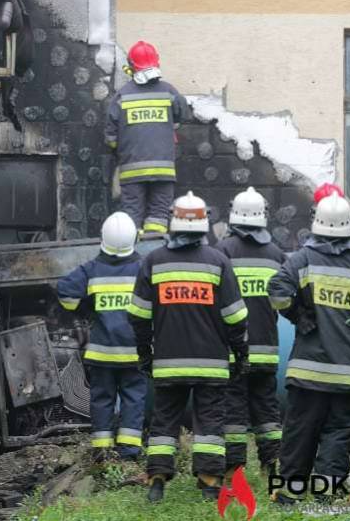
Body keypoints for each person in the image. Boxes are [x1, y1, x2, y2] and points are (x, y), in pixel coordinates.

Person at [127, 191, 249, 502]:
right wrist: (241, 353)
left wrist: (145, 353)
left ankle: (156, 481)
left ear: (172, 220)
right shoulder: (219, 261)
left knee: (164, 420)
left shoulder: (153, 261)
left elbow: (139, 315)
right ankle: (210, 484)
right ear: (204, 223)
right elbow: (235, 316)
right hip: (212, 362)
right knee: (210, 423)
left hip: (168, 361)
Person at [268, 194, 350, 506]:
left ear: (316, 223)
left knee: (300, 431)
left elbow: (277, 291)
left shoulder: (302, 260)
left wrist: (298, 316)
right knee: (338, 433)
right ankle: (324, 493)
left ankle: (289, 495)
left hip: (307, 371)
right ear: (349, 228)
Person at [57, 212, 147, 461]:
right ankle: (129, 453)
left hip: (102, 352)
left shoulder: (92, 269)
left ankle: (102, 451)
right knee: (133, 399)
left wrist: (86, 308)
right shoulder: (143, 269)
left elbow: (65, 291)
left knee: (102, 400)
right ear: (134, 239)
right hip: (134, 352)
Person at [215, 187, 286, 478]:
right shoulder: (276, 254)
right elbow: (283, 301)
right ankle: (272, 467)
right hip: (266, 351)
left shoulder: (222, 252)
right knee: (267, 412)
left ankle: (234, 470)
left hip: (232, 350)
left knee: (233, 413)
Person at [105, 40, 190, 234]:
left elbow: (111, 138)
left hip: (131, 171)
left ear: (131, 67)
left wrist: (120, 148)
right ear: (157, 63)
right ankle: (153, 252)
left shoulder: (122, 96)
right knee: (159, 216)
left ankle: (132, 255)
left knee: (132, 218)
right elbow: (182, 116)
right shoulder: (169, 92)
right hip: (163, 169)